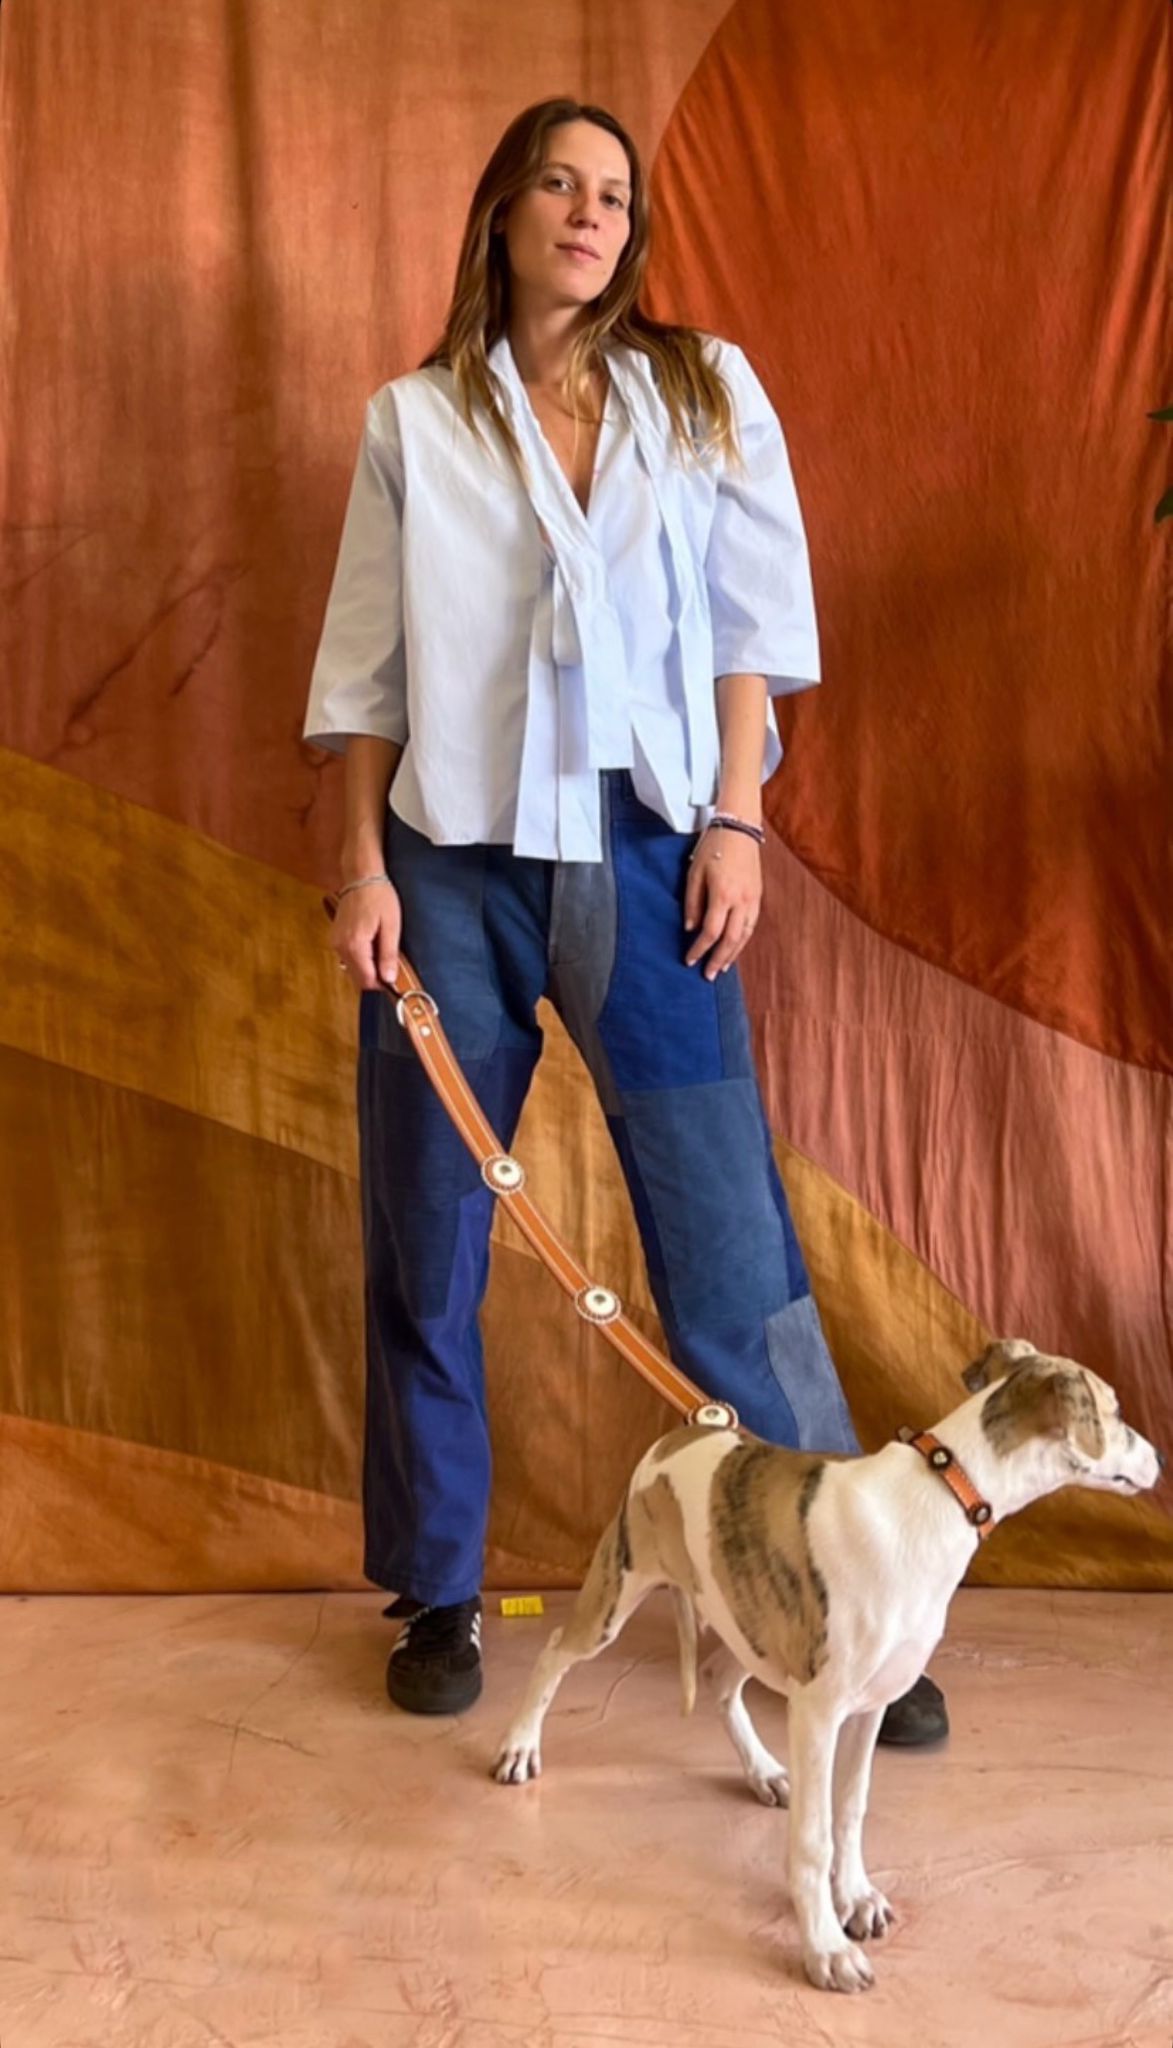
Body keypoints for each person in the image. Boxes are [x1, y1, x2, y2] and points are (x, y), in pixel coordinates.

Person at [303, 97, 947, 1748]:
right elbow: (364, 671)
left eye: (612, 193)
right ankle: (436, 1588)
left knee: (728, 1242)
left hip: (654, 852)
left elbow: (749, 628)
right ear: (503, 214)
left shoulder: (702, 388)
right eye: (558, 185)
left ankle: (842, 1603)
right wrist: (362, 869)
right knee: (426, 1229)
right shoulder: (414, 420)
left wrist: (736, 821)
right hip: (447, 864)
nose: (589, 214)